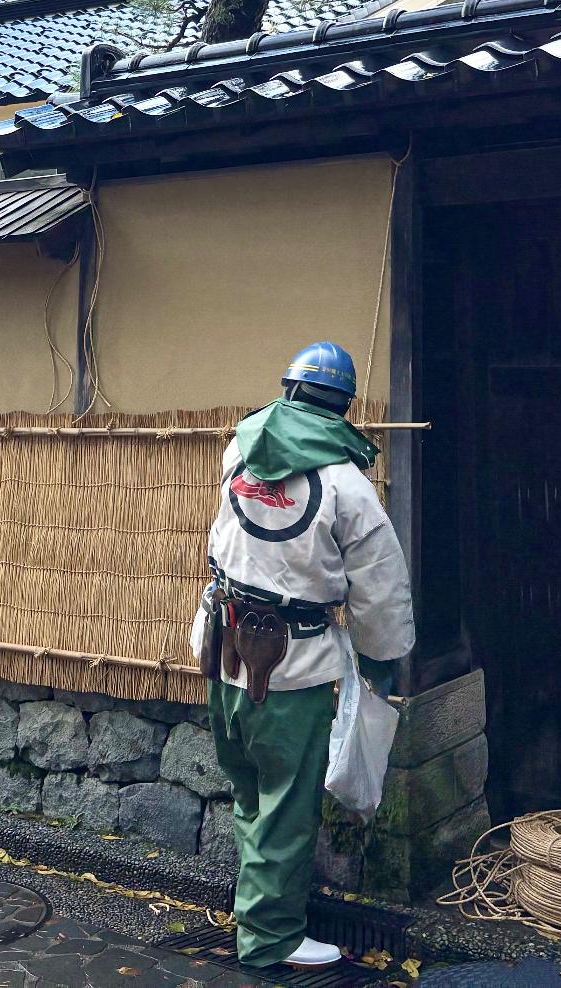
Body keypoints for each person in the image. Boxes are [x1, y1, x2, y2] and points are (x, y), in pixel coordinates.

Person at [191, 341, 416, 971]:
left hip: (225, 648)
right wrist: (380, 660)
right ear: (342, 406)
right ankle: (270, 937)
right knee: (287, 805)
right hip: (291, 667)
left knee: (249, 790)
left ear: (288, 390)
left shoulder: (240, 453)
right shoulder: (347, 485)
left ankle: (255, 906)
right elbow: (381, 587)